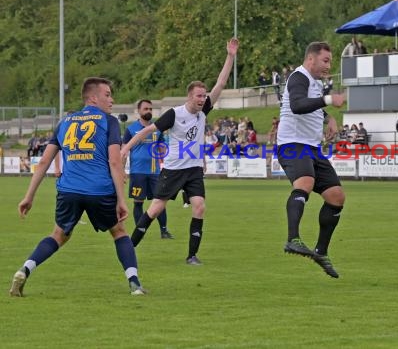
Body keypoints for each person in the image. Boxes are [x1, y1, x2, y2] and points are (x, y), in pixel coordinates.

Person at [10, 77, 145, 297]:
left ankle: (25, 269)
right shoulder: (108, 121)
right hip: (99, 190)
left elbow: (44, 161)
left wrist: (29, 196)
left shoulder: (65, 121)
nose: (112, 100)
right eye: (107, 95)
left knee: (58, 234)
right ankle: (134, 283)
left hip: (69, 190)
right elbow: (114, 161)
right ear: (93, 97)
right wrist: (121, 200)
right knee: (119, 232)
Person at [120, 37, 239, 265]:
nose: (203, 99)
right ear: (189, 96)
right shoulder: (175, 114)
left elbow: (221, 84)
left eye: (204, 96)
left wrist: (230, 56)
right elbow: (148, 131)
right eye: (199, 96)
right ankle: (129, 248)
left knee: (199, 206)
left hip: (193, 169)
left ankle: (192, 255)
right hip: (174, 169)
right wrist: (126, 147)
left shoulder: (203, 111)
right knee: (154, 209)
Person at [277, 41, 345, 278]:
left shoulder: (313, 83)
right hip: (292, 144)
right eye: (325, 61)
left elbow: (311, 104)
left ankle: (321, 251)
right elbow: (297, 105)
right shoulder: (299, 76)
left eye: (330, 62)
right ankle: (292, 239)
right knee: (304, 182)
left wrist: (329, 119)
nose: (328, 66)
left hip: (311, 147)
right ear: (311, 59)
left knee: (336, 197)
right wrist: (328, 100)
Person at [123, 99, 173, 239]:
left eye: (150, 109)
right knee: (138, 202)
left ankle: (164, 230)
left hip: (155, 172)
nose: (149, 111)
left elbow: (162, 147)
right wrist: (121, 171)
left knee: (160, 201)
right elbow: (124, 151)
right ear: (138, 111)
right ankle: (140, 230)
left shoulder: (157, 129)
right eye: (146, 109)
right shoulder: (131, 129)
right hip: (137, 172)